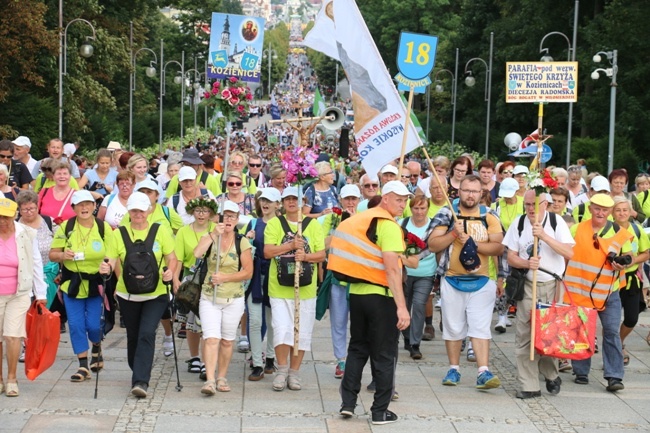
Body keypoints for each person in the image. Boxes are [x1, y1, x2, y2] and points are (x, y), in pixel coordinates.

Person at [329, 181, 411, 425]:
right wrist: (402, 306)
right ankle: (379, 411)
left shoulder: (360, 220)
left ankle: (348, 404)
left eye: (405, 200)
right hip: (381, 296)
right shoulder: (387, 225)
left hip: (357, 294)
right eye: (398, 199)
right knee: (384, 354)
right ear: (385, 199)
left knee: (357, 348)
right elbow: (392, 269)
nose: (403, 205)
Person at [428, 175, 504, 390]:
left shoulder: (489, 215)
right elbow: (433, 244)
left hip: (482, 280)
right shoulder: (447, 213)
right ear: (458, 191)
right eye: (466, 190)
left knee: (480, 327)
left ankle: (483, 371)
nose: (470, 195)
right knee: (453, 327)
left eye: (474, 191)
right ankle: (454, 368)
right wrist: (453, 233)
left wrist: (471, 242)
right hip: (452, 278)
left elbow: (498, 247)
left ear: (482, 193)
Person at [99, 192, 178, 398]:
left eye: (141, 210)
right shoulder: (119, 234)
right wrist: (106, 268)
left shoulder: (160, 231)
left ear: (148, 210)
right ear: (129, 211)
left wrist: (170, 271)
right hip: (128, 294)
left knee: (146, 333)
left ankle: (141, 381)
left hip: (157, 293)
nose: (138, 214)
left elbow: (172, 257)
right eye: (134, 210)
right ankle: (139, 369)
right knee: (133, 336)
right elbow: (112, 259)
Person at [502, 190, 575, 398]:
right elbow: (511, 256)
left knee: (549, 334)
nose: (531, 209)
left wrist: (543, 236)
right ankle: (529, 385)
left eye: (535, 204)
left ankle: (551, 374)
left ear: (545, 204)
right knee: (525, 334)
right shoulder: (519, 223)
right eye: (527, 205)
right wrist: (526, 263)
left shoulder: (556, 222)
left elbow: (569, 252)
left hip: (552, 284)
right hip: (527, 285)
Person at [563, 193, 631, 392]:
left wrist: (622, 263)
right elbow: (567, 254)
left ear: (610, 212)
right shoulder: (577, 228)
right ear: (591, 208)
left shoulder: (619, 232)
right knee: (582, 331)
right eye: (597, 208)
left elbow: (629, 256)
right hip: (581, 290)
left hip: (609, 292)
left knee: (611, 332)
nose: (601, 213)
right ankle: (581, 371)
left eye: (605, 210)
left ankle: (614, 376)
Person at [264, 186, 326, 392]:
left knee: (301, 331)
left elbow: (321, 255)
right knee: (282, 329)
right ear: (282, 202)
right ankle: (281, 370)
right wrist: (289, 246)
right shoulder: (274, 224)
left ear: (303, 202)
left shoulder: (313, 225)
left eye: (295, 199)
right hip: (280, 288)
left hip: (305, 288)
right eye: (288, 199)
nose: (292, 202)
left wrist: (305, 256)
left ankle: (294, 372)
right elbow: (268, 251)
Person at [49, 190, 114, 382]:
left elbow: (112, 255)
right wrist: (62, 256)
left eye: (88, 204)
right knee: (76, 325)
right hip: (72, 284)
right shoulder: (66, 228)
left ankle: (96, 345)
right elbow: (53, 254)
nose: (84, 208)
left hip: (96, 284)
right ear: (73, 208)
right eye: (80, 205)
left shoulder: (104, 228)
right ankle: (83, 365)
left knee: (93, 325)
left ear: (95, 207)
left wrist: (108, 267)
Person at [194, 201, 253, 395]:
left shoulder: (241, 241)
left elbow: (248, 272)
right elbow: (197, 253)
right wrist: (213, 234)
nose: (227, 220)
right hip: (210, 296)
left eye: (231, 216)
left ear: (237, 220)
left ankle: (222, 376)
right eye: (224, 216)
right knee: (211, 338)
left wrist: (225, 277)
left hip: (233, 297)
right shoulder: (211, 236)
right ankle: (210, 379)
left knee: (227, 340)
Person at [0, 198, 47, 397]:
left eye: (7, 217)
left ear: (14, 215)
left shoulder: (26, 234)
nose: (3, 221)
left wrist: (41, 292)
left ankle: (11, 378)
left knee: (12, 335)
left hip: (19, 292)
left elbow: (36, 262)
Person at [172, 197, 219, 378]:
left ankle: (207, 360)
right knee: (191, 322)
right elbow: (178, 258)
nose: (201, 214)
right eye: (198, 210)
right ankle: (194, 357)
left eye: (205, 211)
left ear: (211, 214)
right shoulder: (183, 232)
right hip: (191, 280)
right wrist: (176, 279)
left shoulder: (215, 230)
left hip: (210, 279)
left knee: (207, 322)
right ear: (192, 212)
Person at [244, 188, 282, 381]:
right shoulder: (253, 223)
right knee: (256, 320)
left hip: (275, 276)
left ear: (277, 204)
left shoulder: (282, 225)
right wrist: (247, 239)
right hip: (255, 276)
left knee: (273, 319)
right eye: (263, 200)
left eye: (270, 200)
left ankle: (270, 357)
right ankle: (257, 363)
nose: (265, 204)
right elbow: (241, 249)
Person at [610, 196, 649, 365]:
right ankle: (614, 349)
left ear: (630, 211)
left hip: (631, 279)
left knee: (632, 318)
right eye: (618, 210)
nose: (622, 213)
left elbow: (646, 252)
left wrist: (633, 261)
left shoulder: (637, 229)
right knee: (611, 319)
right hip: (611, 280)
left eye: (625, 210)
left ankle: (618, 341)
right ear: (612, 212)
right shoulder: (608, 229)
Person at [399, 196, 436, 360]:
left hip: (426, 273)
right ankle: (407, 337)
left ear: (428, 208)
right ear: (411, 208)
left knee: (419, 305)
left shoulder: (434, 225)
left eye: (422, 208)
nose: (419, 212)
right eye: (416, 208)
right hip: (405, 273)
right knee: (404, 306)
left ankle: (415, 344)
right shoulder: (402, 223)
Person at [37, 160, 77, 226]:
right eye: (59, 174)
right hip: (47, 233)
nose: (62, 176)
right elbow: (35, 212)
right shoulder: (44, 192)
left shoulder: (77, 195)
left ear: (70, 176)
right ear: (53, 176)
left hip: (69, 233)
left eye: (65, 173)